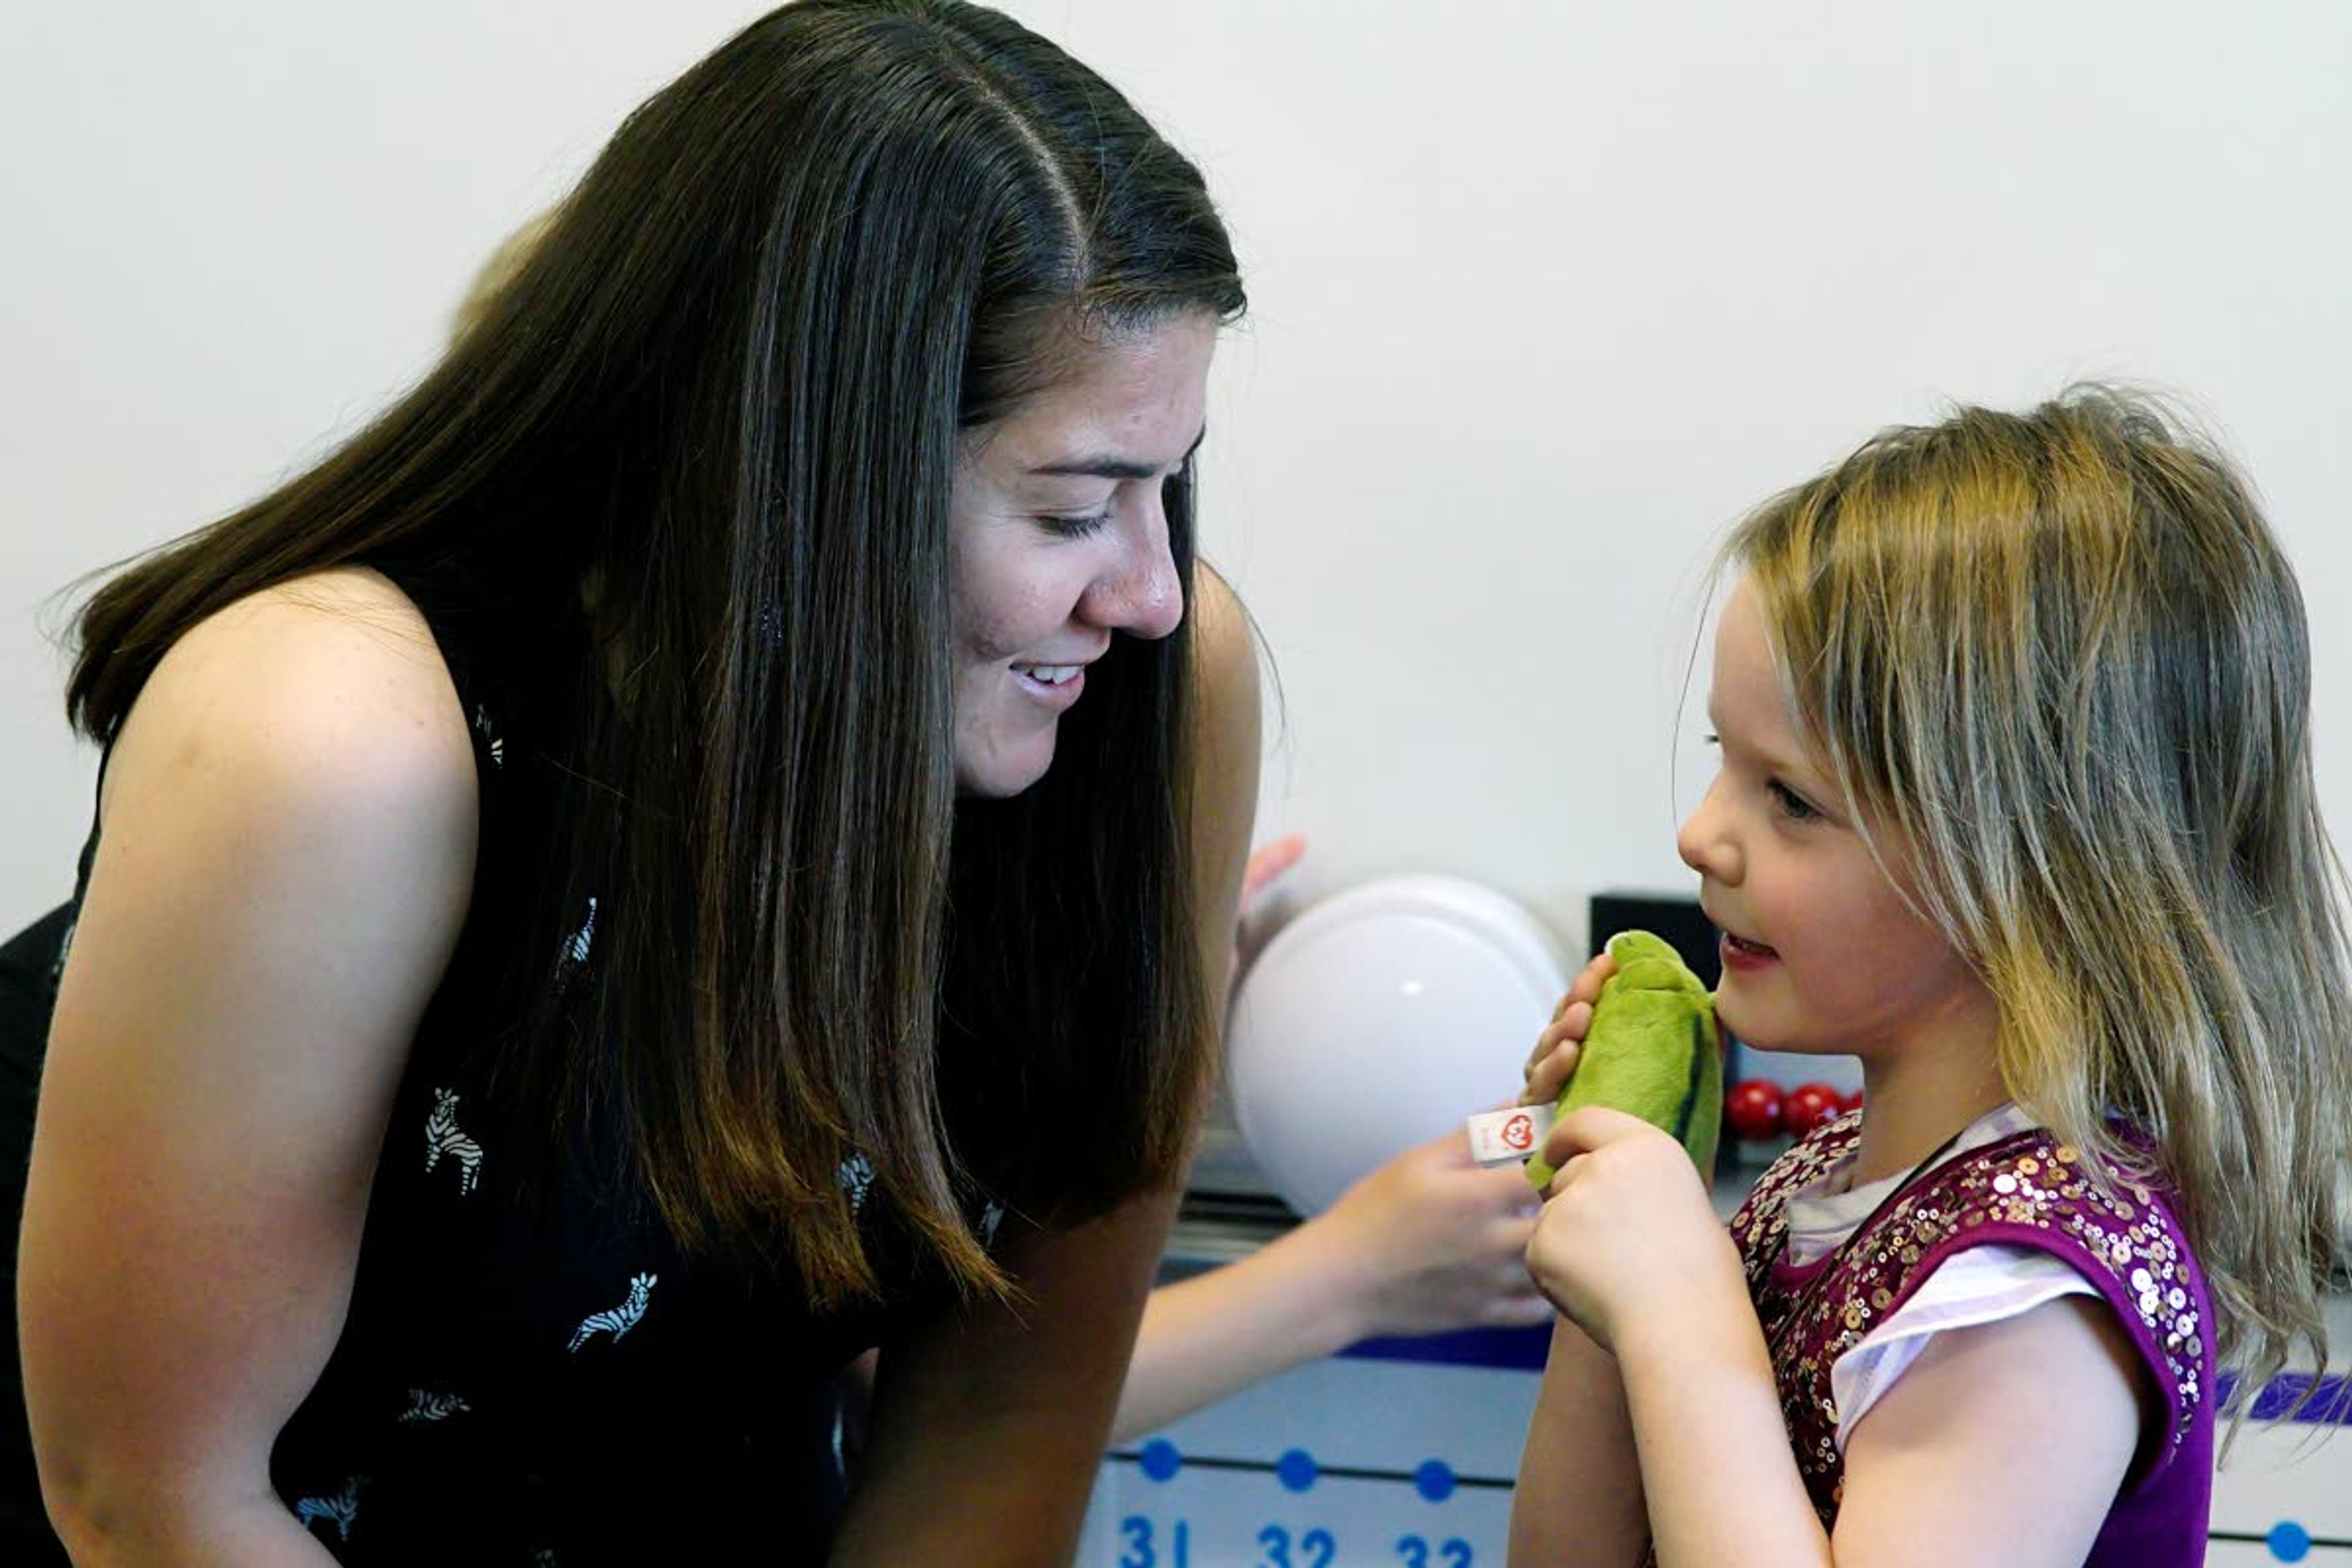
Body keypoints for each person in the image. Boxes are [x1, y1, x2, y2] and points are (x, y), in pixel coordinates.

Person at [0, 2, 1260, 1562]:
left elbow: (1004, 1416)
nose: (1147, 590)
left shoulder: (1155, 695)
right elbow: (153, 1494)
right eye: (1074, 509)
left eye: (1170, 482)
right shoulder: (334, 738)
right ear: (804, 482)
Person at [1508, 388, 2352, 1566]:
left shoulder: (2026, 1296)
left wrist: (1674, 1316)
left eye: (1791, 799)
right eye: (1724, 761)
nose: (1702, 836)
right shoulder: (1832, 1185)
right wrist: (1615, 1224)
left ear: (2036, 872)